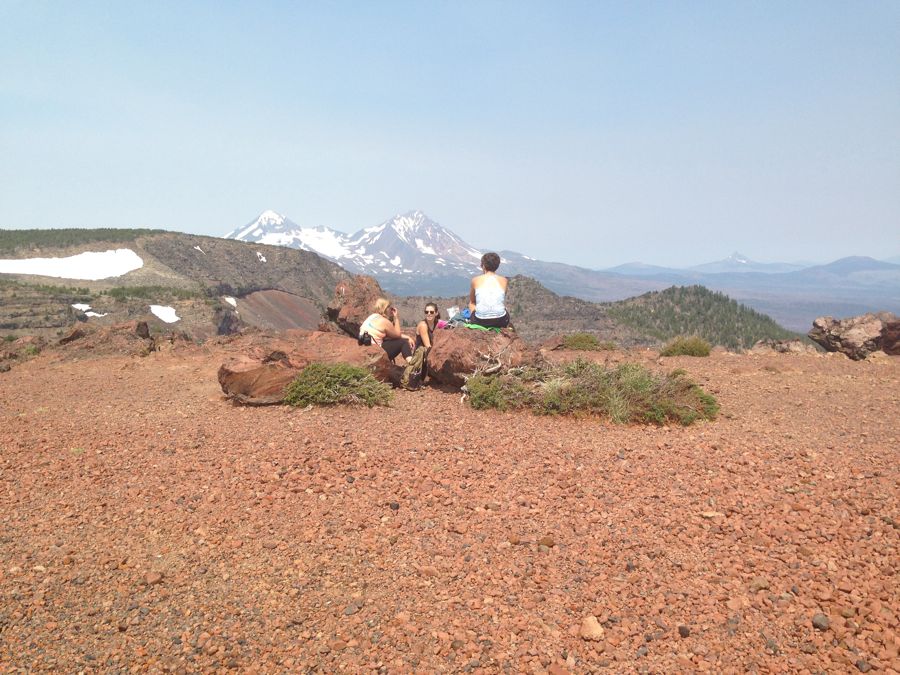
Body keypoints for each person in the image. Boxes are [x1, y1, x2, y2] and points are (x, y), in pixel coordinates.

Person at [359, 298, 415, 363]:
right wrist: (396, 318)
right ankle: (412, 364)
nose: (391, 310)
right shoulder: (384, 321)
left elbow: (390, 335)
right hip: (376, 351)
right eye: (390, 308)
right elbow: (397, 335)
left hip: (365, 346)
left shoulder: (372, 317)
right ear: (385, 308)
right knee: (403, 342)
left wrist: (407, 337)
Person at [468, 251, 510, 328]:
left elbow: (472, 301)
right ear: (497, 266)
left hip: (480, 321)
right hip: (501, 321)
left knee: (471, 304)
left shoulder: (475, 280)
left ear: (483, 266)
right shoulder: (504, 280)